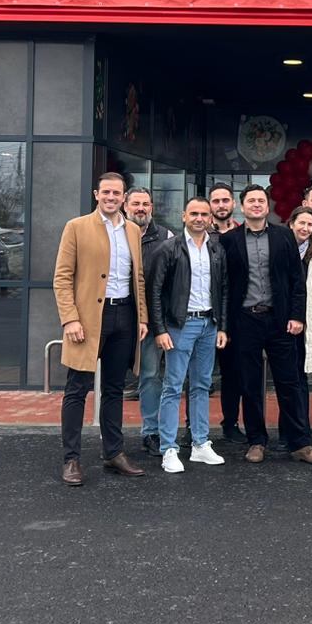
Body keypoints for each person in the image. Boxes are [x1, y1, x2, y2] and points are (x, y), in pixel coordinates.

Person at [219, 184, 312, 465]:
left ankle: (300, 443)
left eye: (261, 201)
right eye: (251, 201)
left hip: (279, 320)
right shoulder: (229, 240)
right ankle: (257, 441)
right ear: (242, 206)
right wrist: (226, 325)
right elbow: (224, 285)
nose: (256, 204)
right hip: (245, 320)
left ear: (267, 207)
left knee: (289, 383)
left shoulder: (283, 236)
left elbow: (296, 280)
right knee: (250, 384)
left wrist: (297, 316)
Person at [53, 171, 150, 486]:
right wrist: (70, 318)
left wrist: (143, 318)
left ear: (124, 197)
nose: (111, 197)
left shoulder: (133, 230)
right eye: (105, 192)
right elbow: (62, 277)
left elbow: (138, 278)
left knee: (113, 389)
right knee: (77, 389)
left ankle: (113, 453)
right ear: (96, 194)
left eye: (116, 193)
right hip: (88, 319)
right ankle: (71, 459)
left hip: (125, 317)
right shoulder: (77, 227)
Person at [146, 196, 228, 473]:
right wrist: (160, 329)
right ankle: (168, 448)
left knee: (202, 385)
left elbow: (223, 290)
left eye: (204, 214)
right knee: (172, 386)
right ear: (184, 216)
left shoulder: (216, 249)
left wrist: (222, 326)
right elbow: (155, 292)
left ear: (210, 218)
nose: (199, 219)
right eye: (194, 213)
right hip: (180, 326)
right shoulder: (168, 248)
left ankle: (200, 443)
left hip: (208, 324)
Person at [126, 186, 175, 455]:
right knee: (113, 378)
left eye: (145, 204)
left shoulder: (167, 237)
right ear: (126, 206)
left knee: (151, 375)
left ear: (152, 208)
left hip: (154, 319)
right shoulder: (117, 235)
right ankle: (110, 436)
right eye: (135, 204)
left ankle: (151, 432)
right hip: (121, 315)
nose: (140, 209)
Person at [207, 181, 244, 443]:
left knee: (233, 375)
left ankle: (230, 423)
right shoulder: (200, 233)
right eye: (216, 201)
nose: (221, 205)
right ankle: (192, 427)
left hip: (234, 316)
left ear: (233, 204)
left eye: (225, 200)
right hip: (204, 313)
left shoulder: (243, 234)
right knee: (198, 376)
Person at [289, 206, 312, 379]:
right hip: (284, 315)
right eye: (301, 223)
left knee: (301, 368)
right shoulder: (281, 247)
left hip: (307, 316)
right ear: (291, 224)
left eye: (310, 225)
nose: (305, 228)